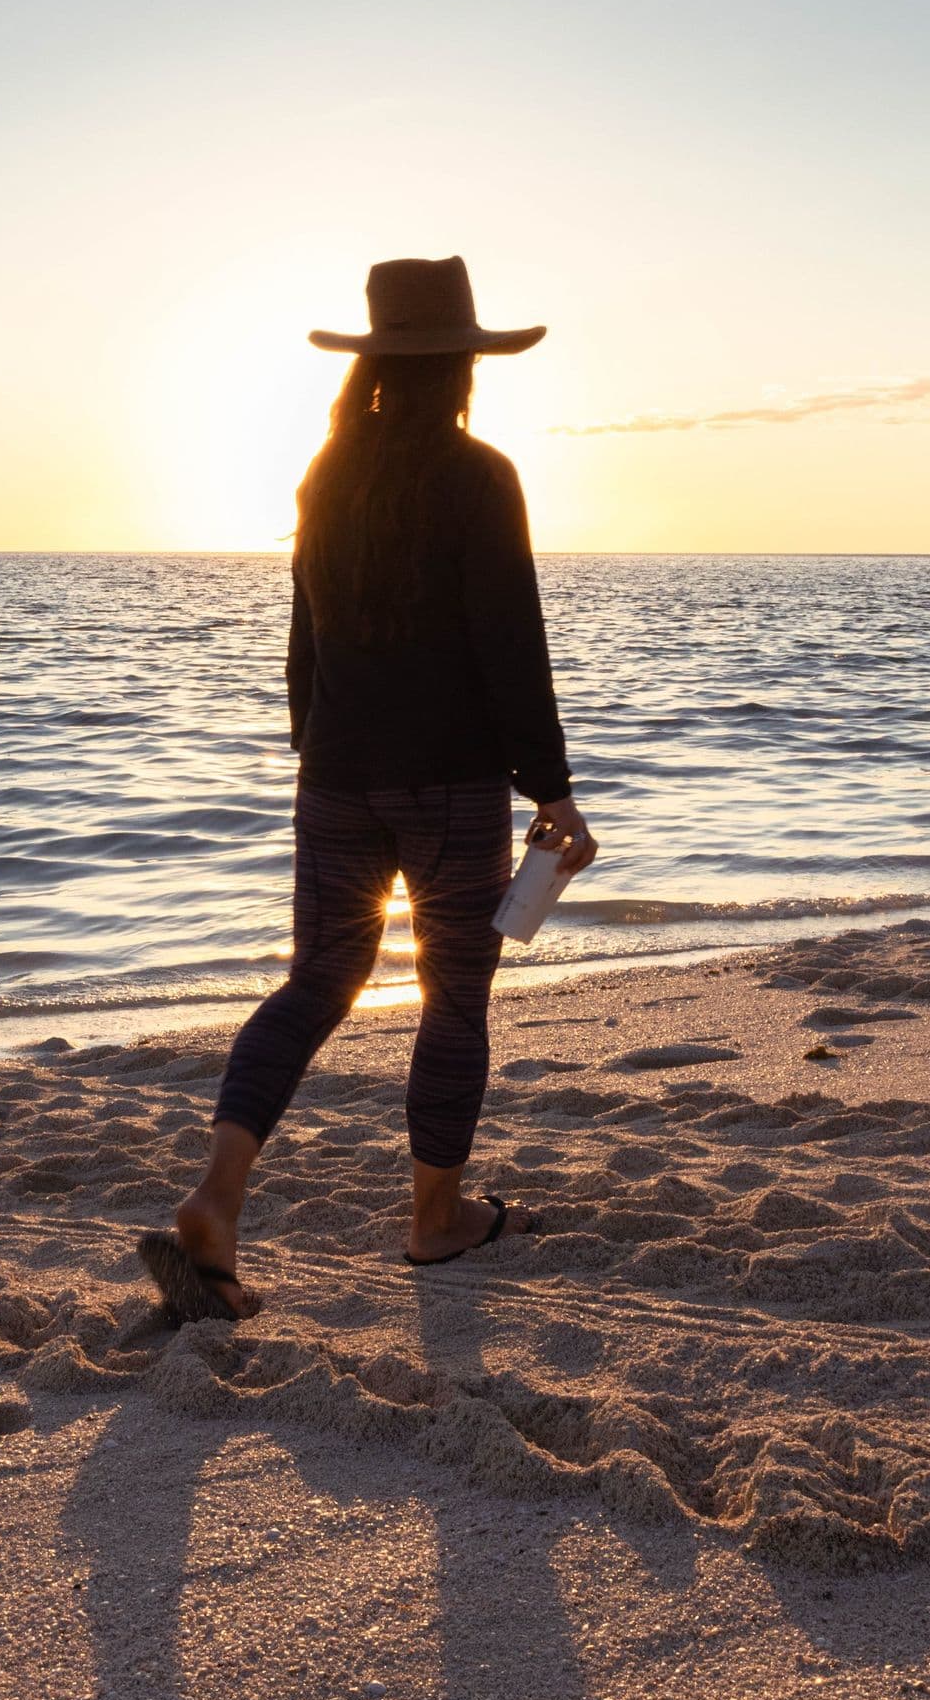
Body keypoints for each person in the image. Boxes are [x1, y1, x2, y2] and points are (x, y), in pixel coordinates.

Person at [139, 255, 597, 1321]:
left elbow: (303, 649)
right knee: (452, 994)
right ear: (462, 365)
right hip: (450, 783)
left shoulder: (323, 472)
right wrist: (552, 788)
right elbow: (508, 643)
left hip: (335, 778)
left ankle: (216, 1196)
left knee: (314, 983)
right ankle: (434, 1220)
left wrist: (322, 752)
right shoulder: (478, 475)